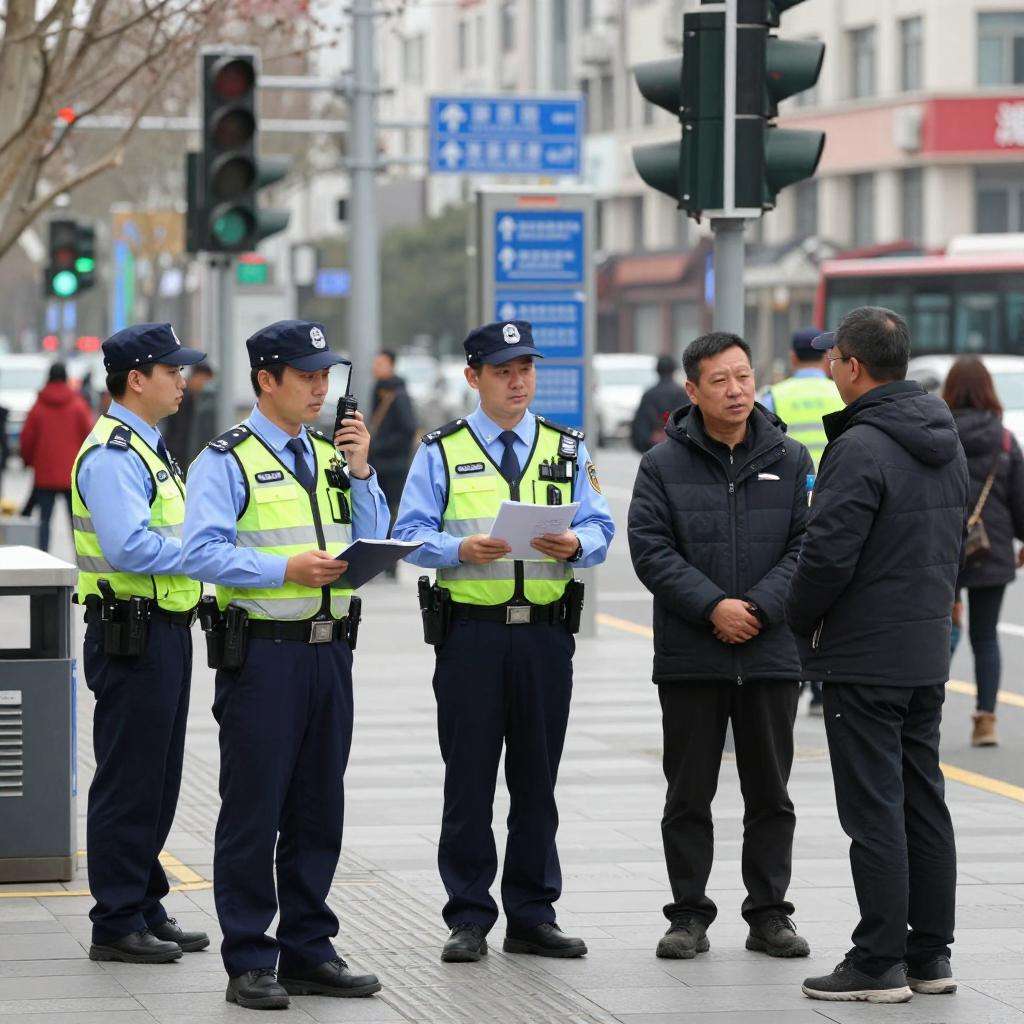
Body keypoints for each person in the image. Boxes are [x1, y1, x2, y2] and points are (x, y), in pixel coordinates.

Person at [181, 320, 390, 1011]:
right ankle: (248, 956)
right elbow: (202, 553)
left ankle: (308, 948)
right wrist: (284, 567)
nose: (321, 388)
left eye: (326, 376)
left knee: (317, 807)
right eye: (306, 376)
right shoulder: (227, 459)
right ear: (266, 380)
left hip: (330, 652)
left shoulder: (332, 454)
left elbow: (374, 533)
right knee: (255, 809)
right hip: (264, 656)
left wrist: (362, 474)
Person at [392, 319, 614, 964]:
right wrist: (458, 548)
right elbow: (411, 534)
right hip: (472, 637)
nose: (518, 383)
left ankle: (532, 913)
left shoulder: (567, 448)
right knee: (468, 780)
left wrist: (578, 544)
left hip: (545, 637)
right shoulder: (441, 449)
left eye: (526, 370)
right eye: (502, 372)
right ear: (473, 378)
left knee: (536, 780)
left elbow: (600, 526)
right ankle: (467, 915)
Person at [787, 308, 968, 1004]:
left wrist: (800, 623)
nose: (829, 367)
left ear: (853, 367)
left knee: (874, 810)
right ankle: (929, 955)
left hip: (863, 654)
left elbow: (827, 555)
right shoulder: (941, 437)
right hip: (923, 648)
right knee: (924, 802)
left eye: (833, 358)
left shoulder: (859, 447)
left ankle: (877, 962)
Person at [628, 334, 813, 964]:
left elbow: (807, 546)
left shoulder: (791, 457)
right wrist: (713, 607)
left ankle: (769, 914)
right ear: (692, 391)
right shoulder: (662, 465)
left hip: (770, 653)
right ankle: (688, 915)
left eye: (743, 376)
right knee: (688, 793)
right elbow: (650, 550)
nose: (736, 390)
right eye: (720, 381)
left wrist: (757, 608)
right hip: (691, 654)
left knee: (771, 792)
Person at [71, 323, 209, 965]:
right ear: (137, 379)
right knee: (130, 780)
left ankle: (144, 901)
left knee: (158, 778)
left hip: (165, 630)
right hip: (133, 633)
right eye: (173, 371)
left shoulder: (152, 448)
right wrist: (206, 552)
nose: (183, 381)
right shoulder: (115, 455)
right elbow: (129, 546)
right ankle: (116, 919)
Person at [762, 328, 845, 716]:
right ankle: (819, 686)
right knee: (830, 587)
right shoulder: (840, 392)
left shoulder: (775, 395)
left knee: (796, 585)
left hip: (788, 500)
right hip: (837, 498)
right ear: (829, 359)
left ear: (793, 360)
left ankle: (796, 671)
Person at [942, 357, 1024, 747]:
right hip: (992, 547)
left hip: (943, 546)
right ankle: (986, 720)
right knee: (985, 635)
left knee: (941, 627)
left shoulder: (940, 434)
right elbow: (1020, 502)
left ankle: (926, 706)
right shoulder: (1005, 440)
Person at [19, 362, 94, 551]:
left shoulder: (38, 406)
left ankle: (43, 558)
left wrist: (28, 461)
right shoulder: (78, 405)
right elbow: (90, 436)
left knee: (44, 521)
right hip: (72, 475)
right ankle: (81, 558)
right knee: (76, 523)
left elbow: (27, 438)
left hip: (44, 475)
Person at [367, 349, 417, 574]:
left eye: (380, 363)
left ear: (391, 366)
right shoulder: (378, 390)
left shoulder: (398, 394)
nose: (376, 367)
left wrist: (378, 446)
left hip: (394, 465)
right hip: (379, 462)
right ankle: (381, 561)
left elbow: (408, 429)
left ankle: (389, 564)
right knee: (377, 511)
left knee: (390, 512)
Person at [631, 354, 689, 453]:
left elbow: (640, 424)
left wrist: (650, 438)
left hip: (653, 447)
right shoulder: (682, 393)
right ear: (674, 370)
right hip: (678, 448)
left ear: (657, 370)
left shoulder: (649, 395)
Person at [162, 362, 216, 468]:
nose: (204, 384)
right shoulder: (180, 399)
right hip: (177, 452)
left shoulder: (201, 400)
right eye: (202, 379)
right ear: (195, 377)